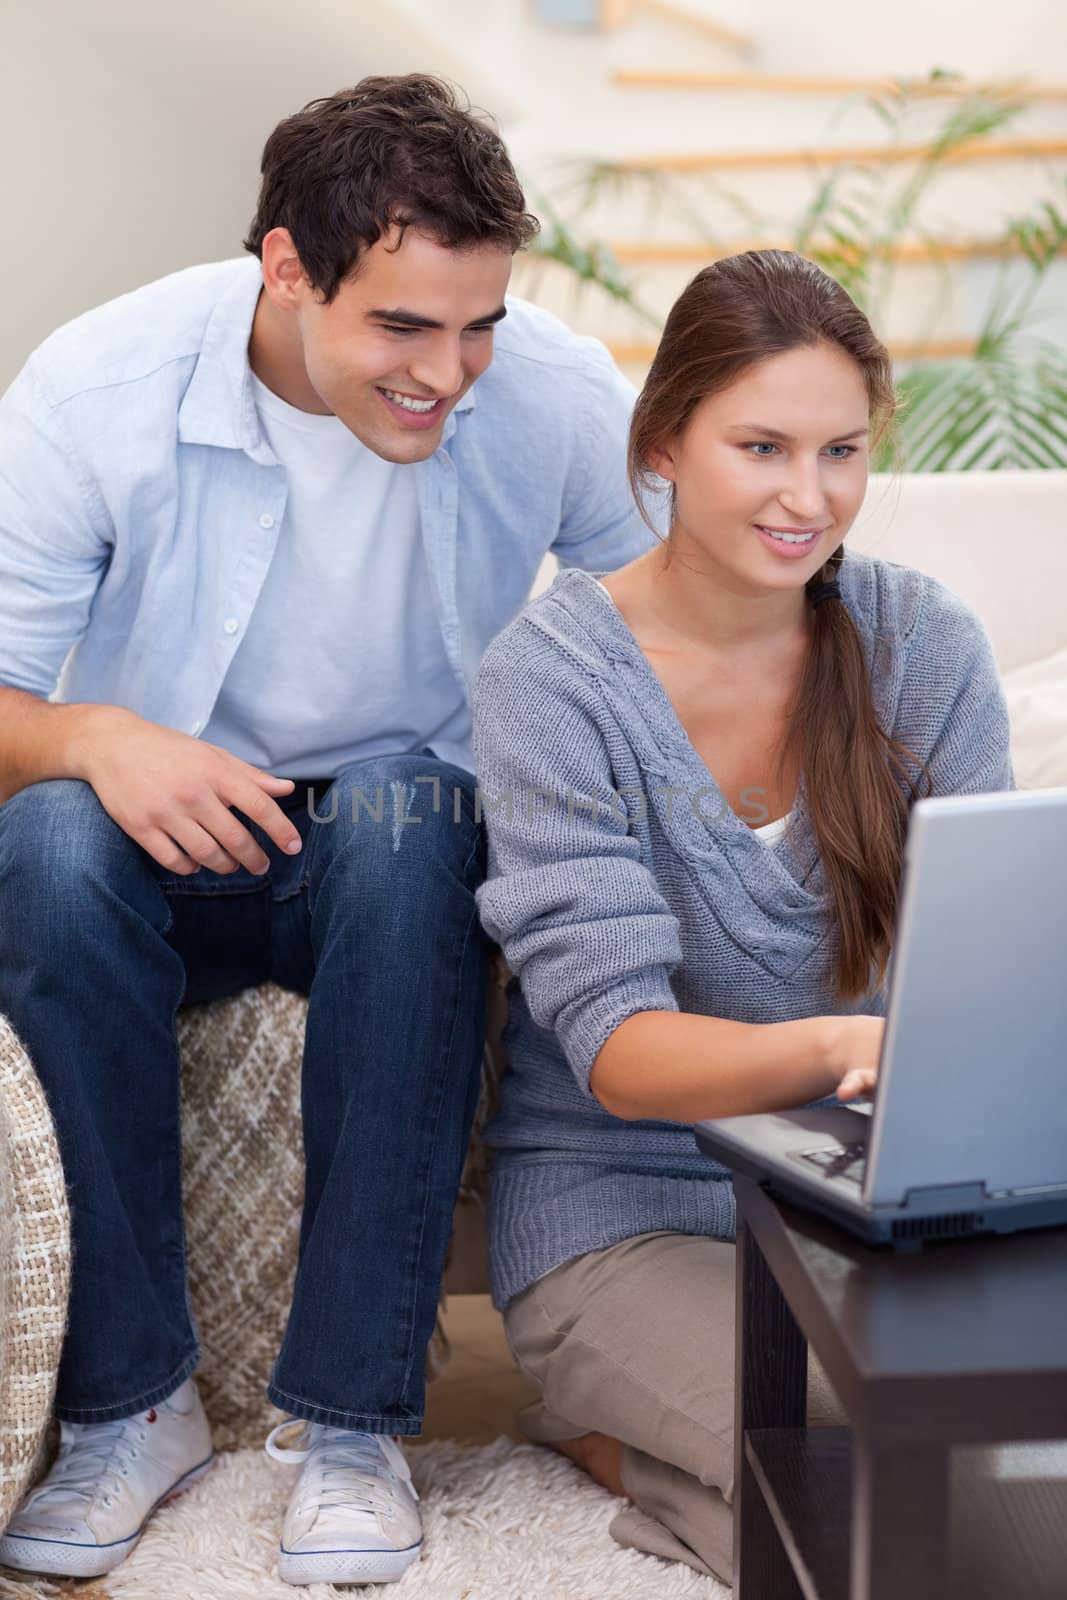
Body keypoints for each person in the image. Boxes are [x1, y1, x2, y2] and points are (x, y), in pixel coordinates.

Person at [0, 75, 657, 1586]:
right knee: (43, 842)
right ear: (287, 269)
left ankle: (348, 1426)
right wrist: (101, 741)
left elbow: (668, 637)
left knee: (417, 820)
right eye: (405, 330)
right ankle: (126, 1410)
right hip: (146, 831)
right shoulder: (98, 390)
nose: (451, 373)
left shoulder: (546, 391)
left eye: (480, 323)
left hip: (389, 836)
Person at [470, 249, 1014, 1582]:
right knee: (904, 1453)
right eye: (761, 446)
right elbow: (623, 1051)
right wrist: (845, 1048)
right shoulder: (554, 680)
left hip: (866, 1200)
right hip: (626, 1212)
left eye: (841, 451)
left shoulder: (921, 646)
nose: (807, 497)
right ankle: (600, 1423)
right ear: (663, 441)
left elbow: (997, 969)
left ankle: (660, 1460)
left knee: (997, 1450)